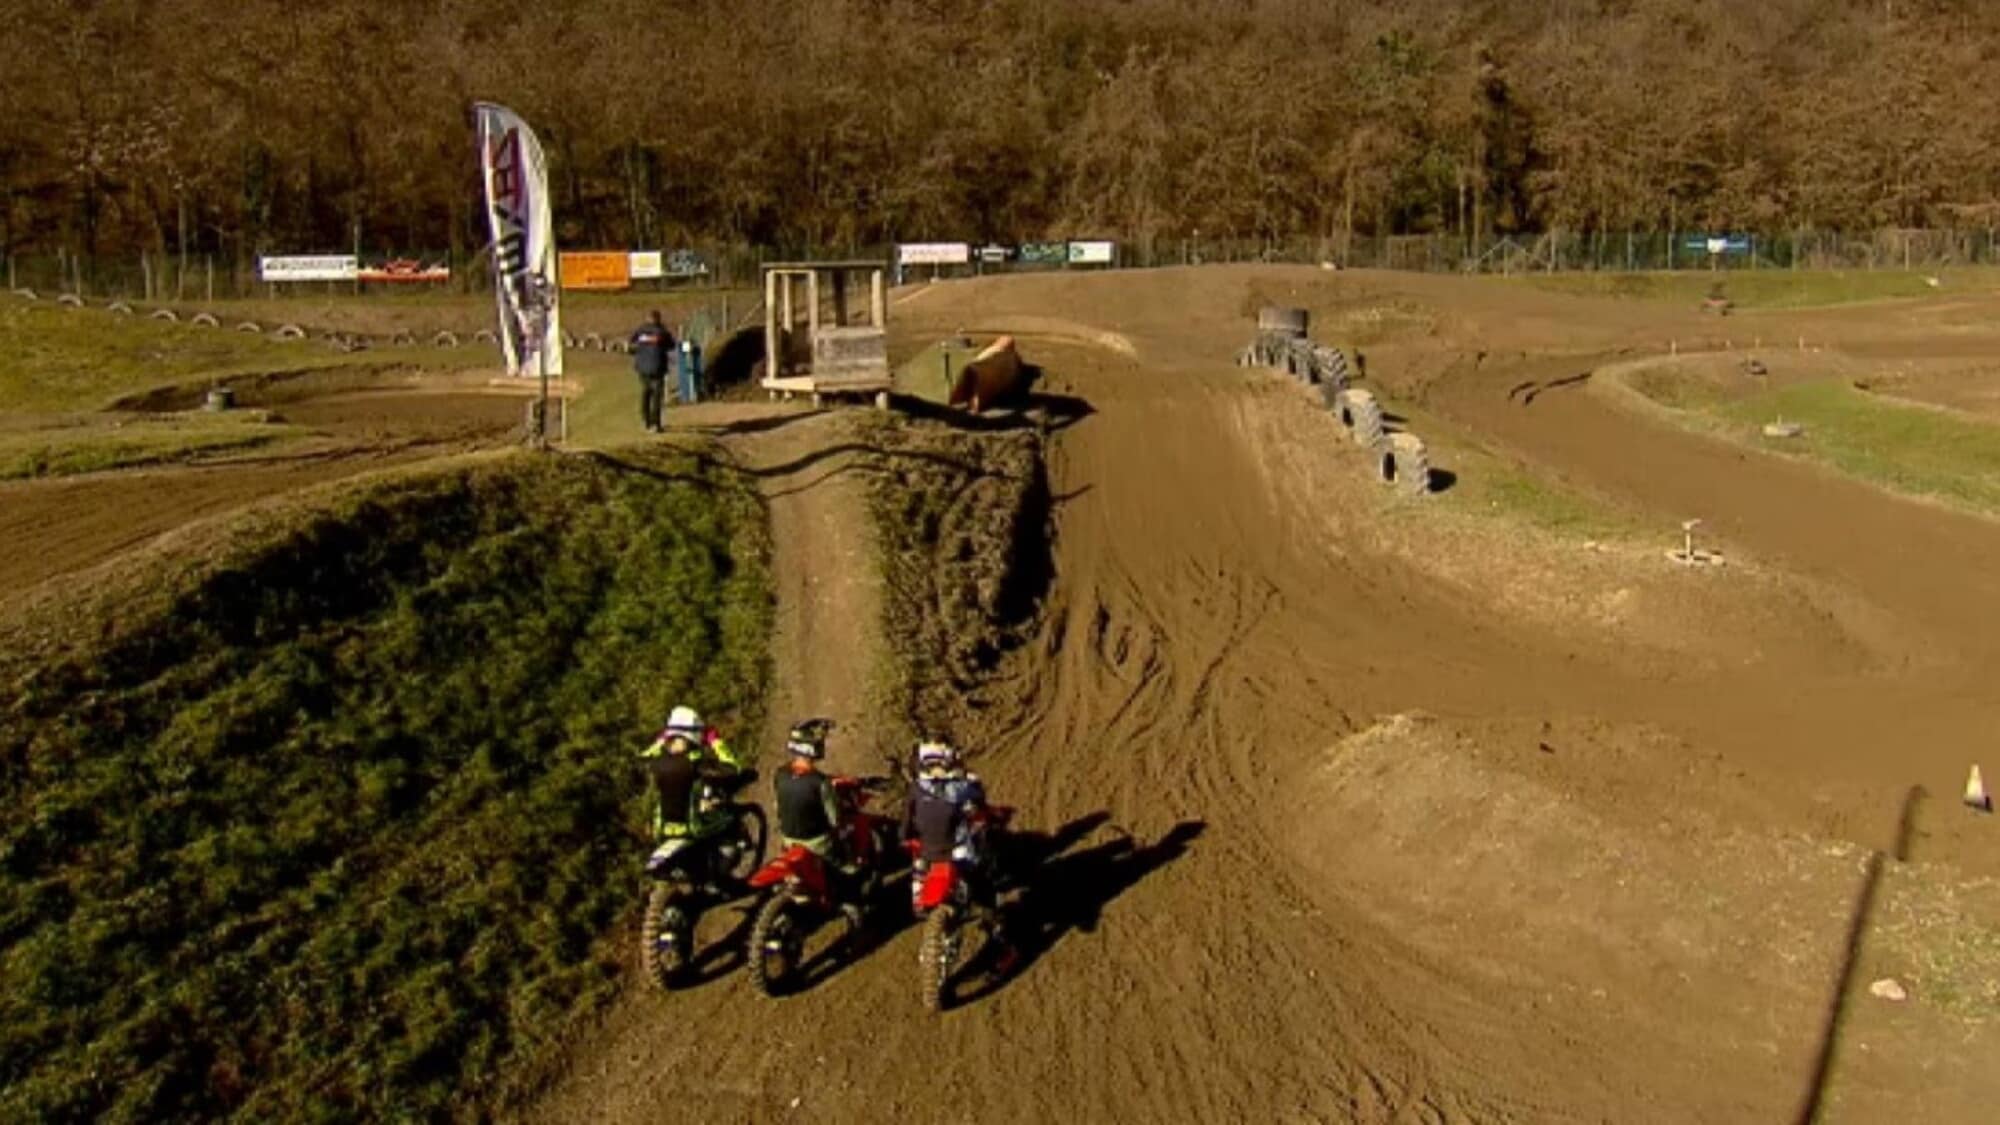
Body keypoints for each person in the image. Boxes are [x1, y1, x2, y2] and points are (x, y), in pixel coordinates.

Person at [905, 739, 1017, 968]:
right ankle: (1000, 942)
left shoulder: (916, 789)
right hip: (957, 854)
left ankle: (919, 896)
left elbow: (905, 826)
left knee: (919, 864)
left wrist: (909, 837)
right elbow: (979, 803)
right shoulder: (961, 788)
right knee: (986, 888)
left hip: (927, 853)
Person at [640, 705, 747, 882]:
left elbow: (645, 755)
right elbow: (732, 768)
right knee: (729, 820)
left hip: (661, 827)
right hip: (692, 826)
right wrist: (715, 740)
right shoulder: (696, 762)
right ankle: (721, 875)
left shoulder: (656, 760)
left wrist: (662, 739)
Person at [630, 311, 676, 432]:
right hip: (657, 367)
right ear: (658, 319)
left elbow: (631, 345)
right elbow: (672, 345)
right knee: (656, 397)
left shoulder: (640, 331)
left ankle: (646, 420)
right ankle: (655, 423)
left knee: (645, 394)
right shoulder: (662, 332)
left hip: (642, 368)